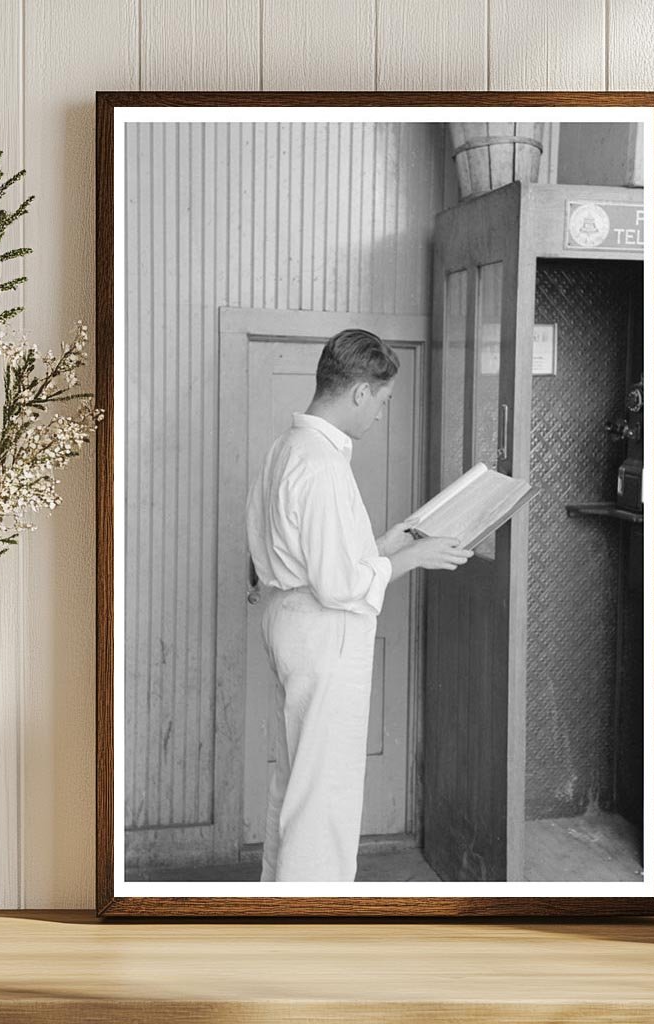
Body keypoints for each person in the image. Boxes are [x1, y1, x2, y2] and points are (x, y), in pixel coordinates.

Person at [245, 328, 473, 882]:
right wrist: (415, 560)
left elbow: (315, 556)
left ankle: (280, 901)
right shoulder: (322, 464)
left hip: (289, 617)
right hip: (323, 632)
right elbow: (339, 584)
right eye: (384, 401)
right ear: (359, 393)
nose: (380, 415)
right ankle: (312, 927)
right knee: (325, 793)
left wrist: (395, 540)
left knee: (297, 779)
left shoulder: (288, 448)